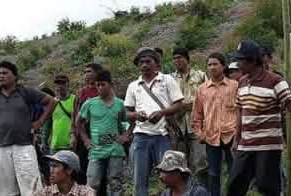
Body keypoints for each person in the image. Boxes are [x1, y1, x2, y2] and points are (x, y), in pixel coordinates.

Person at [226, 40, 291, 196]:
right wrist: (236, 139)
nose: (237, 64)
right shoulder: (241, 82)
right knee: (235, 184)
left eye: (240, 60)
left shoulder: (275, 81)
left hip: (268, 145)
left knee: (266, 186)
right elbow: (241, 111)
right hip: (246, 144)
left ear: (252, 61)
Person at [0, 61, 57, 196]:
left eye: (5, 73)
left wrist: (40, 122)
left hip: (24, 147)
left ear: (15, 76)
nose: (1, 76)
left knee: (32, 189)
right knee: (6, 191)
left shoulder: (26, 92)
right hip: (1, 148)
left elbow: (52, 101)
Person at [124, 47, 185, 196]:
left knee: (169, 178)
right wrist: (137, 115)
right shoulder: (133, 86)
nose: (144, 64)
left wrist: (161, 113)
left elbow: (179, 104)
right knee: (139, 179)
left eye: (148, 61)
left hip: (163, 135)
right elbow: (126, 113)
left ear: (156, 63)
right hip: (140, 137)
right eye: (141, 62)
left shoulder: (167, 80)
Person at [191, 53, 238, 196]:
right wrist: (200, 134)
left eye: (215, 64)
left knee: (235, 172)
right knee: (213, 174)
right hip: (211, 137)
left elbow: (241, 110)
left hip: (232, 135)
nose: (212, 67)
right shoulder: (202, 89)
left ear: (223, 66)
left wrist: (239, 133)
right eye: (209, 64)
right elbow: (196, 115)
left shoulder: (234, 86)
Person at [78, 70, 130, 196]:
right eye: (98, 85)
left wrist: (126, 134)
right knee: (92, 183)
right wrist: (86, 140)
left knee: (115, 183)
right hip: (96, 150)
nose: (100, 88)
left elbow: (131, 120)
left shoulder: (120, 104)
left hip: (115, 149)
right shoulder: (90, 103)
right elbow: (78, 122)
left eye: (103, 84)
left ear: (111, 84)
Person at [171, 47, 208, 183]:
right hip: (177, 126)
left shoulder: (201, 75)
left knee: (201, 161)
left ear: (187, 59)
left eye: (180, 57)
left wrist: (189, 105)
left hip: (197, 126)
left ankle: (202, 191)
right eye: (174, 58)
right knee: (180, 164)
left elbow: (208, 97)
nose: (177, 60)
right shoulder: (169, 79)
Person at [74, 63, 104, 185]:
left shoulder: (102, 90)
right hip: (83, 134)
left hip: (99, 133)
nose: (86, 75)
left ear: (97, 73)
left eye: (89, 71)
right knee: (82, 167)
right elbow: (75, 114)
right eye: (85, 72)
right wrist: (73, 133)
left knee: (100, 168)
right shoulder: (81, 92)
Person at [46, 75, 77, 155]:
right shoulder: (52, 102)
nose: (60, 86)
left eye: (63, 83)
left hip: (71, 144)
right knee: (53, 167)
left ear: (68, 85)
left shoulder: (75, 99)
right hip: (55, 145)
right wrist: (44, 141)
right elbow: (48, 123)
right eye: (57, 83)